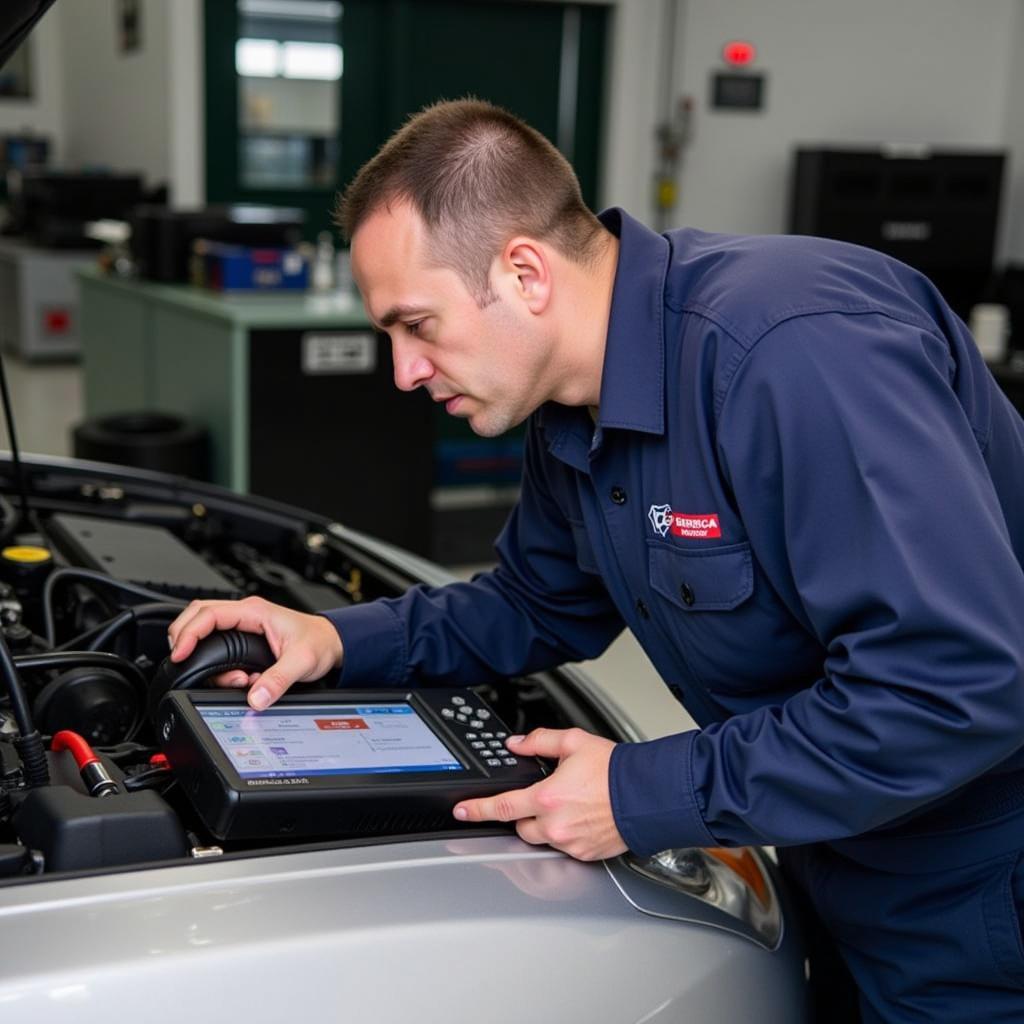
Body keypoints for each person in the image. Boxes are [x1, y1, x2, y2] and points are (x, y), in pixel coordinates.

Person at [168, 99, 1024, 1022]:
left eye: (415, 325)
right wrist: (331, 640)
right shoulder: (571, 405)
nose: (403, 372)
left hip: (977, 877)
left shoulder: (793, 352)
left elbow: (954, 681)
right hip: (829, 837)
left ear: (525, 271)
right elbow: (535, 604)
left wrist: (641, 791)